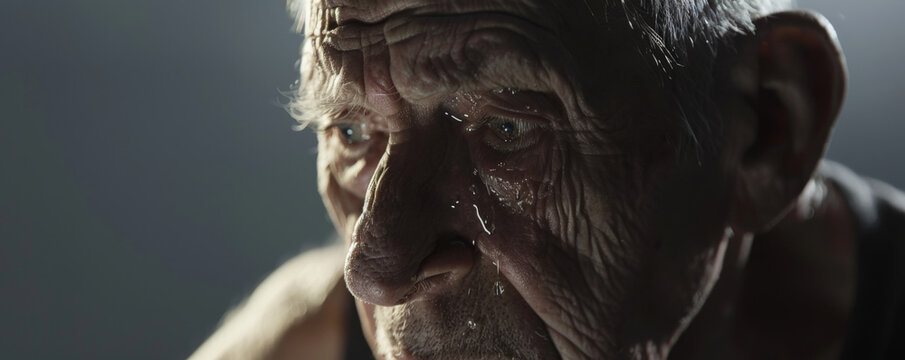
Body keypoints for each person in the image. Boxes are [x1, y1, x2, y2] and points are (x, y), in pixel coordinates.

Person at [190, 0, 905, 359]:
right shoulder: (305, 343)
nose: (374, 270)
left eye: (506, 131)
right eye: (351, 131)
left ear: (765, 128)